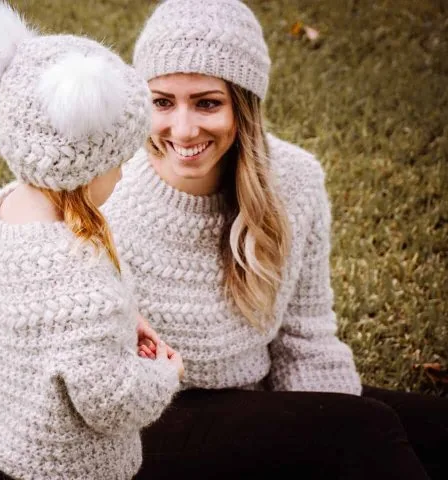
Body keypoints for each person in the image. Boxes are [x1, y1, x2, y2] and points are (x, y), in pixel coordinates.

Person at [103, 0, 448, 478]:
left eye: (207, 102)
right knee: (361, 430)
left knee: (421, 428)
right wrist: (336, 433)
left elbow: (306, 336)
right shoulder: (107, 198)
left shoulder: (296, 181)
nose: (182, 129)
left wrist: (321, 423)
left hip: (256, 394)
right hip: (150, 424)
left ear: (244, 106)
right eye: (162, 101)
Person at [0, 2, 184, 479]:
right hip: (75, 468)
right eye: (116, 160)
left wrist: (124, 322)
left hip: (18, 443)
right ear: (79, 167)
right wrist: (165, 375)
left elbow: (48, 330)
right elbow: (111, 402)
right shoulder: (81, 282)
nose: (122, 173)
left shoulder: (1, 214)